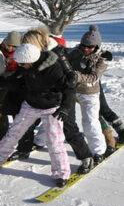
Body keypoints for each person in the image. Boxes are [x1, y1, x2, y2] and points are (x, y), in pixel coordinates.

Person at [0, 43, 74, 188]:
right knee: (14, 133)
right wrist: (0, 83)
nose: (20, 66)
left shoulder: (54, 69)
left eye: (22, 64)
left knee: (54, 141)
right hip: (30, 104)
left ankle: (61, 174)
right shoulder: (25, 64)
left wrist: (65, 107)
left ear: (31, 60)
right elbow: (16, 80)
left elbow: (68, 88)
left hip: (51, 107)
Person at [7, 27, 94, 174]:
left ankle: (86, 157)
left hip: (59, 98)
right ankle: (24, 149)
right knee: (26, 123)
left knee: (68, 127)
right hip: (37, 95)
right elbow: (21, 72)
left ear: (36, 43)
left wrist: (66, 104)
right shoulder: (29, 55)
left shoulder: (57, 53)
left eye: (27, 44)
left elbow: (70, 80)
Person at [67, 25, 107, 165]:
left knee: (90, 122)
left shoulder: (102, 59)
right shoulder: (75, 52)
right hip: (72, 91)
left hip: (90, 93)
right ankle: (39, 140)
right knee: (59, 117)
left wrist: (76, 76)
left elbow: (93, 77)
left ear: (96, 46)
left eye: (90, 47)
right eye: (84, 45)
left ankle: (98, 151)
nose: (86, 49)